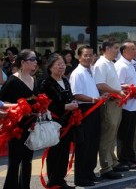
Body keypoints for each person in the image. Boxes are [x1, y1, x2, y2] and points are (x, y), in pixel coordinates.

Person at [0, 49, 39, 189]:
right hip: (16, 126)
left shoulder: (34, 79)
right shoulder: (12, 80)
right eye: (32, 59)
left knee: (28, 160)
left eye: (36, 59)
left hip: (31, 125)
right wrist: (16, 109)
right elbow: (1, 102)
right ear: (23, 62)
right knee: (15, 161)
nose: (35, 62)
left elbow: (38, 100)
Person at [39, 54, 79, 189]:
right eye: (58, 64)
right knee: (54, 152)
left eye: (63, 64)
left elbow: (70, 96)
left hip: (68, 122)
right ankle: (54, 181)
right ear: (50, 67)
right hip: (54, 123)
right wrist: (65, 107)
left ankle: (61, 179)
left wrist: (72, 104)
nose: (62, 67)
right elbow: (46, 104)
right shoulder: (46, 83)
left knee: (64, 151)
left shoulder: (65, 80)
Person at [94, 40, 128, 179]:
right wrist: (117, 91)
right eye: (115, 48)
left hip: (116, 102)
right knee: (107, 136)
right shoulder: (101, 64)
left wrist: (121, 89)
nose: (117, 51)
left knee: (112, 135)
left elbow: (111, 83)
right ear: (106, 49)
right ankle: (106, 167)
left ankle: (113, 162)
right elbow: (100, 84)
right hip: (109, 103)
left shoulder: (110, 63)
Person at [70, 45, 102, 186]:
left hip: (94, 108)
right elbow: (76, 94)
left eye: (91, 55)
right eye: (86, 55)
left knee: (93, 143)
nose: (89, 58)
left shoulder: (91, 71)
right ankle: (81, 177)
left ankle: (90, 172)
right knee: (84, 144)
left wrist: (100, 96)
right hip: (85, 110)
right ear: (79, 57)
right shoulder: (78, 73)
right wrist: (92, 99)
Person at [115, 41, 136, 168]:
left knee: (131, 132)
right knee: (124, 133)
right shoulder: (121, 65)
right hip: (125, 105)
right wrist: (131, 89)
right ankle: (123, 159)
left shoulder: (132, 64)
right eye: (132, 49)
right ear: (124, 52)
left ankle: (131, 156)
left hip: (134, 103)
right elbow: (118, 85)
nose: (135, 51)